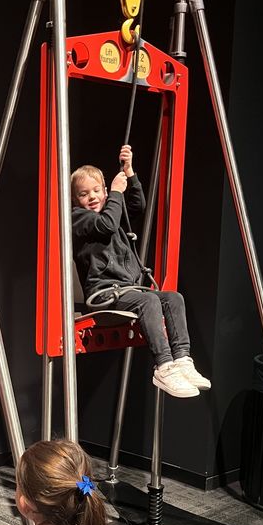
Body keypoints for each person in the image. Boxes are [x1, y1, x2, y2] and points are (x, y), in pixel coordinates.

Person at [71, 144, 210, 398]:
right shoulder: (80, 219)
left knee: (172, 297)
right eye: (83, 194)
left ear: (103, 190)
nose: (91, 197)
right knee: (148, 300)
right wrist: (114, 193)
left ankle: (181, 359)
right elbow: (106, 225)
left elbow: (137, 206)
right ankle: (164, 366)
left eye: (96, 190)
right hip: (104, 294)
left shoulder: (112, 213)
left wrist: (130, 172)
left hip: (128, 290)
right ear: (75, 200)